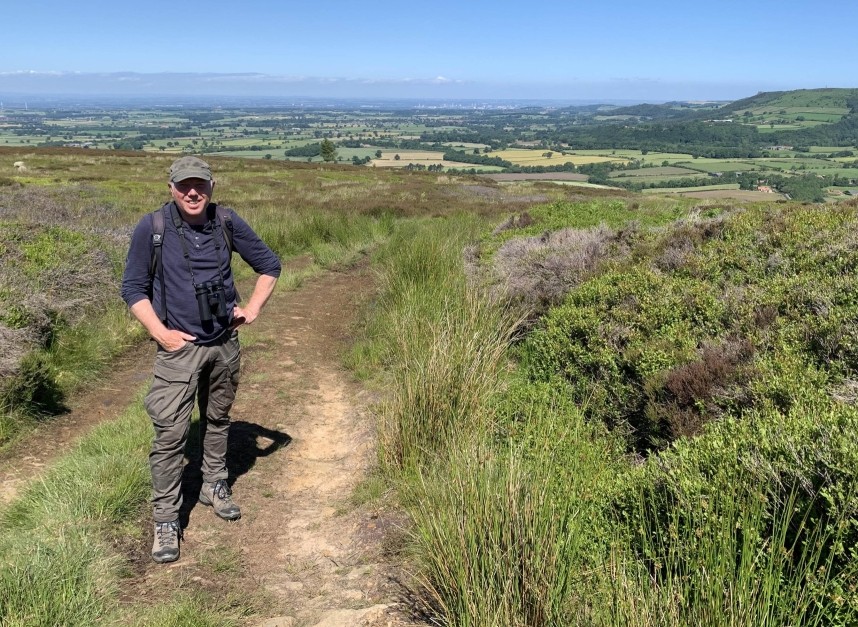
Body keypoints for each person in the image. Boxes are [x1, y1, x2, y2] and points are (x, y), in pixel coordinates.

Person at [121, 156, 281, 563]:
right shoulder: (152, 227)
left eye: (200, 185)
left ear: (212, 185)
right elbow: (133, 288)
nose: (193, 193)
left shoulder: (225, 221)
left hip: (225, 341)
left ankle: (214, 484)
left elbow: (269, 265)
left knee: (218, 419)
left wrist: (253, 308)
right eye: (183, 186)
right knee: (170, 436)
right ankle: (166, 519)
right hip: (178, 350)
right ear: (171, 188)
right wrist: (161, 334)